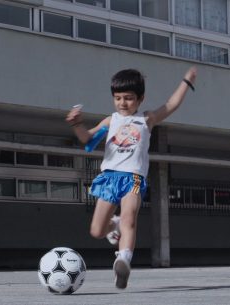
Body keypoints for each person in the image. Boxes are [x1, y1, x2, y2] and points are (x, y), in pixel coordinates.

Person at [66, 66, 197, 289]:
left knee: (130, 217)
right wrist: (77, 124)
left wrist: (187, 81)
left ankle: (123, 261)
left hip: (133, 178)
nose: (122, 103)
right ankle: (114, 225)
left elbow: (171, 105)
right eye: (117, 98)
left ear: (140, 98)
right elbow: (87, 139)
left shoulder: (146, 119)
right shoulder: (110, 121)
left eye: (128, 98)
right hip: (109, 178)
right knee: (97, 230)